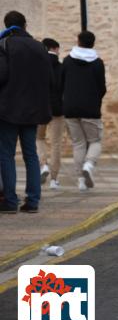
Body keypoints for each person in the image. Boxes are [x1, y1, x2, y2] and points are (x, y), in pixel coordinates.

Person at [0, 11, 52, 213]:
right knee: (30, 154)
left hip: (8, 109)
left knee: (6, 154)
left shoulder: (4, 44)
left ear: (7, 25)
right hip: (33, 110)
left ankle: (10, 201)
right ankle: (33, 201)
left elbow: (1, 75)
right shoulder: (39, 47)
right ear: (25, 25)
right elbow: (50, 80)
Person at [62, 31, 106, 191]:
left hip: (70, 108)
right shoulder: (97, 63)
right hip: (91, 108)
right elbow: (102, 87)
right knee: (95, 140)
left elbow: (61, 84)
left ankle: (81, 180)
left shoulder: (67, 61)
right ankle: (89, 164)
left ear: (78, 41)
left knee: (78, 143)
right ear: (93, 43)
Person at [37, 38, 64, 190]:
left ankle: (43, 165)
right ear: (55, 48)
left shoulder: (38, 66)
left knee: (39, 138)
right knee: (56, 143)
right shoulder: (61, 67)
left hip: (41, 108)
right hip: (58, 110)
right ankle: (54, 179)